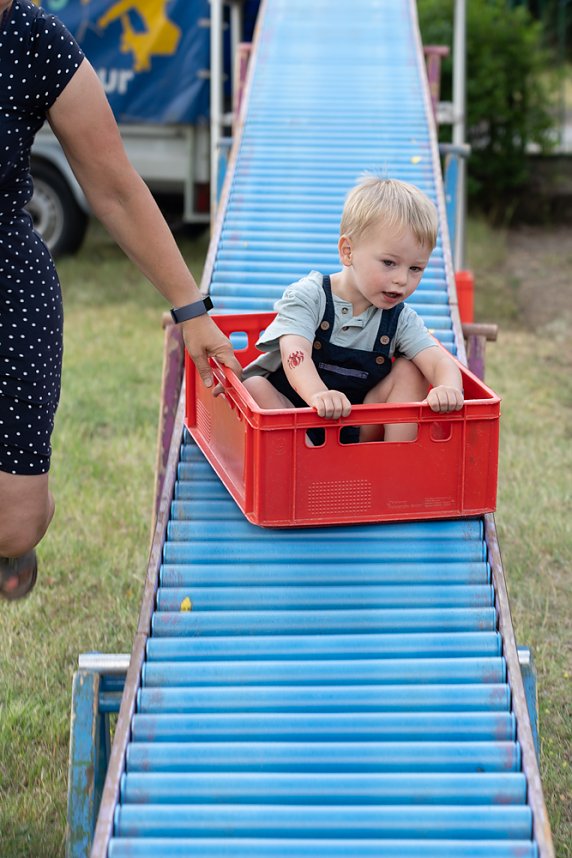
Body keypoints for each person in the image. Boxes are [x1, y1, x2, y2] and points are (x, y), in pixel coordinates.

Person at [0, 0, 241, 600]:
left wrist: (192, 309)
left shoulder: (34, 38)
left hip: (11, 288)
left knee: (16, 521)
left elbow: (115, 189)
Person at [241, 175, 463, 444]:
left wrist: (449, 387)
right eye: (389, 263)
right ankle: (304, 464)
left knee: (411, 369)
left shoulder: (400, 319)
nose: (403, 279)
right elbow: (295, 352)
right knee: (254, 387)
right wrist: (318, 395)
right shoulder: (310, 295)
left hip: (356, 430)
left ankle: (395, 463)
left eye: (415, 268)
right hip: (294, 419)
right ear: (348, 252)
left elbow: (439, 361)